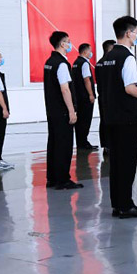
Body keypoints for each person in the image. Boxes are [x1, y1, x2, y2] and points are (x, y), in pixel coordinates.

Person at [96, 16, 137, 217]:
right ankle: (125, 205)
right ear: (129, 33)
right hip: (127, 117)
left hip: (111, 116)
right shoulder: (127, 57)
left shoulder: (106, 58)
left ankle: (118, 204)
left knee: (116, 163)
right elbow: (130, 88)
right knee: (127, 162)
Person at [43, 32, 81, 189]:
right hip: (62, 111)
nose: (70, 44)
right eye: (68, 41)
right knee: (64, 145)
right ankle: (63, 179)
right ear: (62, 43)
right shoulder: (62, 64)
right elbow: (65, 89)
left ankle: (52, 178)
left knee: (53, 143)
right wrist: (71, 111)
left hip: (52, 110)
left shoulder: (49, 62)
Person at [71, 44, 97, 150]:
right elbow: (87, 80)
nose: (91, 53)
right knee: (85, 120)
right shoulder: (85, 63)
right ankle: (84, 142)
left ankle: (80, 141)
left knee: (80, 120)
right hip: (85, 97)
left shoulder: (75, 63)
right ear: (85, 52)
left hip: (78, 96)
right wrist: (91, 94)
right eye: (90, 51)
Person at [98, 39, 115, 152]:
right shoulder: (110, 63)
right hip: (111, 97)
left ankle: (105, 145)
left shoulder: (99, 62)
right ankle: (111, 144)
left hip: (102, 96)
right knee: (111, 121)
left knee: (103, 120)